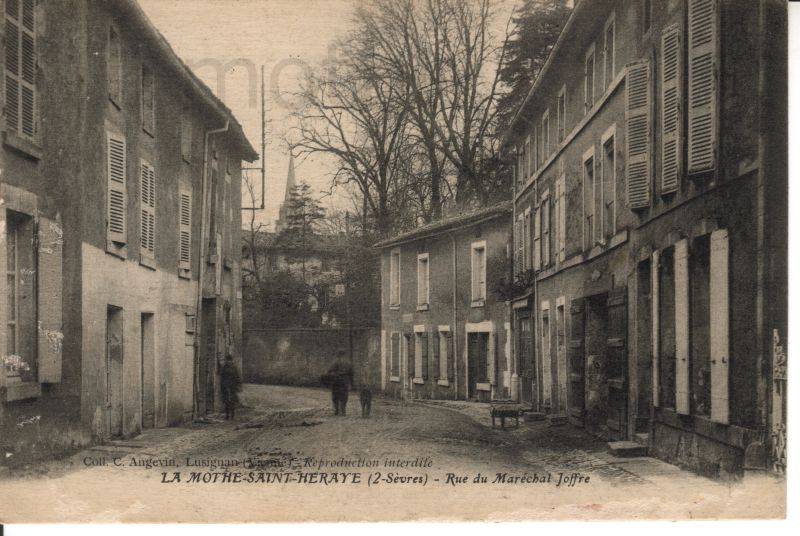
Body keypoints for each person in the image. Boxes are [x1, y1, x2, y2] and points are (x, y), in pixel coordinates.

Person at [326, 350, 354, 416]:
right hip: (345, 380)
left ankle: (336, 411)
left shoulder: (336, 362)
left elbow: (329, 370)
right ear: (344, 354)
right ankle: (343, 411)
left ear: (338, 354)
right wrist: (351, 383)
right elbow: (352, 373)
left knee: (335, 395)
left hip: (337, 380)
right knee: (344, 395)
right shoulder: (349, 362)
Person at [220, 353, 242, 420]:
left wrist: (238, 385)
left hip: (232, 386)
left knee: (232, 401)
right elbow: (222, 377)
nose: (228, 362)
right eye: (227, 360)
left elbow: (237, 377)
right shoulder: (224, 367)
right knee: (226, 401)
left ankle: (232, 414)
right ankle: (227, 415)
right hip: (225, 386)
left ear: (231, 361)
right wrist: (222, 386)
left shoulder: (234, 368)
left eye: (229, 360)